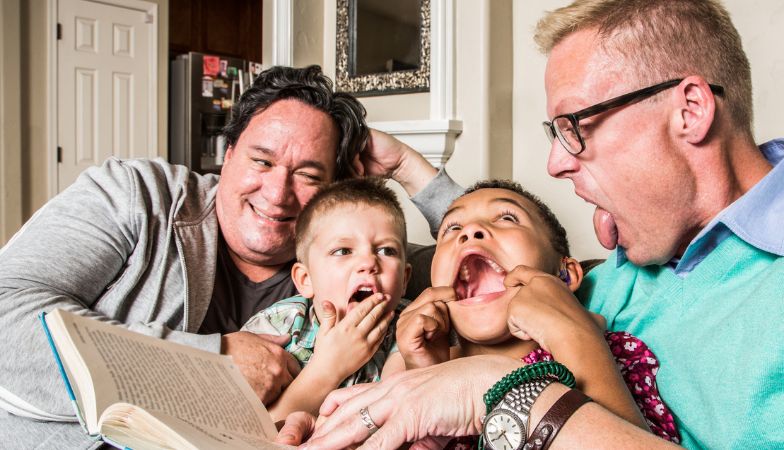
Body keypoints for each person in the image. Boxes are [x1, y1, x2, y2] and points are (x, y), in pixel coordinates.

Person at [277, 0, 784, 448]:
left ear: (689, 110)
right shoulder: (618, 272)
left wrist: (503, 392)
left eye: (575, 127)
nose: (554, 162)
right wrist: (412, 171)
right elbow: (487, 250)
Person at [0, 65, 456, 448]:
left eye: (308, 174)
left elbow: (490, 262)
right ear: (229, 153)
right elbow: (7, 312)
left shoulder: (352, 260)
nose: (277, 193)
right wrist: (211, 360)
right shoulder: (136, 196)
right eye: (261, 161)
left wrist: (409, 170)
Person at [382, 180, 679, 447]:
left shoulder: (615, 355)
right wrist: (423, 372)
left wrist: (574, 335)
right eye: (452, 229)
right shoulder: (415, 369)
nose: (470, 232)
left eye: (507, 218)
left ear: (565, 274)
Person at [242, 177, 411, 423]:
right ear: (305, 279)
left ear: (405, 279)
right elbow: (245, 430)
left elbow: (396, 418)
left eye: (386, 250)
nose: (368, 263)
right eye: (343, 251)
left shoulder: (409, 326)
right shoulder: (277, 326)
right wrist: (329, 368)